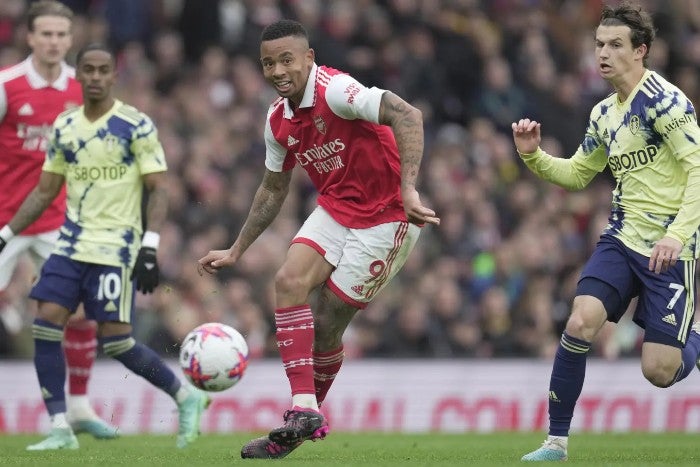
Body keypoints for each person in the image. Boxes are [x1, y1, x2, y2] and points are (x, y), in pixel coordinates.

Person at [198, 19, 440, 459]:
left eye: (286, 59)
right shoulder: (276, 120)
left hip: (387, 216)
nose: (277, 70)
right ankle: (303, 410)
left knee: (328, 321)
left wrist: (408, 189)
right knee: (288, 281)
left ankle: (307, 413)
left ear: (308, 58)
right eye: (268, 63)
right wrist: (237, 249)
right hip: (337, 207)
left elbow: (408, 114)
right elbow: (273, 188)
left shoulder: (336, 90)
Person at [0, 43, 210, 451]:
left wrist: (149, 247)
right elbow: (44, 193)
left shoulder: (136, 125)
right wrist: (6, 234)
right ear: (78, 77)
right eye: (88, 70)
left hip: (115, 248)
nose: (95, 77)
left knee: (117, 342)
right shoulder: (64, 127)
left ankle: (186, 395)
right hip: (70, 243)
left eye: (103, 70)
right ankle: (60, 425)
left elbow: (158, 190)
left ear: (114, 77)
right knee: (46, 319)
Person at [513, 2, 700, 461]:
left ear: (641, 51)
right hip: (621, 238)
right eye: (599, 44)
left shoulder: (667, 103)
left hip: (672, 248)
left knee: (658, 371)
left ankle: (691, 338)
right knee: (580, 321)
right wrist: (533, 156)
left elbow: (698, 168)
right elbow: (580, 173)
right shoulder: (603, 114)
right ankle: (556, 442)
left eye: (615, 45)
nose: (603, 53)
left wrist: (676, 234)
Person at [0, 0, 117, 439]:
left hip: (60, 220)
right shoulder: (7, 86)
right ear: (29, 37)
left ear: (71, 40)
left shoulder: (84, 89)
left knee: (83, 310)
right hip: (5, 219)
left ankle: (81, 408)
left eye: (60, 35)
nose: (53, 42)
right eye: (45, 34)